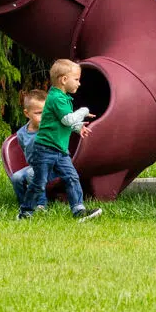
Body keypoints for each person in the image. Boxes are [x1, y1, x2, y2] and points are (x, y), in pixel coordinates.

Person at [23, 59, 102, 220]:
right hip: (45, 149)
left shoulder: (62, 97)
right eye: (77, 79)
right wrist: (84, 110)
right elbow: (67, 120)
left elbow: (62, 122)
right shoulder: (56, 98)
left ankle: (79, 210)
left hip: (60, 150)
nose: (79, 84)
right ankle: (26, 212)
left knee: (71, 177)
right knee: (39, 182)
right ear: (64, 80)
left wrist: (78, 127)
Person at [8, 90, 45, 214]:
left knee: (31, 174)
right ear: (27, 113)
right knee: (16, 177)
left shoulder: (50, 129)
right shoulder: (22, 133)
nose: (44, 117)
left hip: (51, 164)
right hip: (34, 165)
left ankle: (41, 205)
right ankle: (25, 204)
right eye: (39, 113)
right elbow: (25, 150)